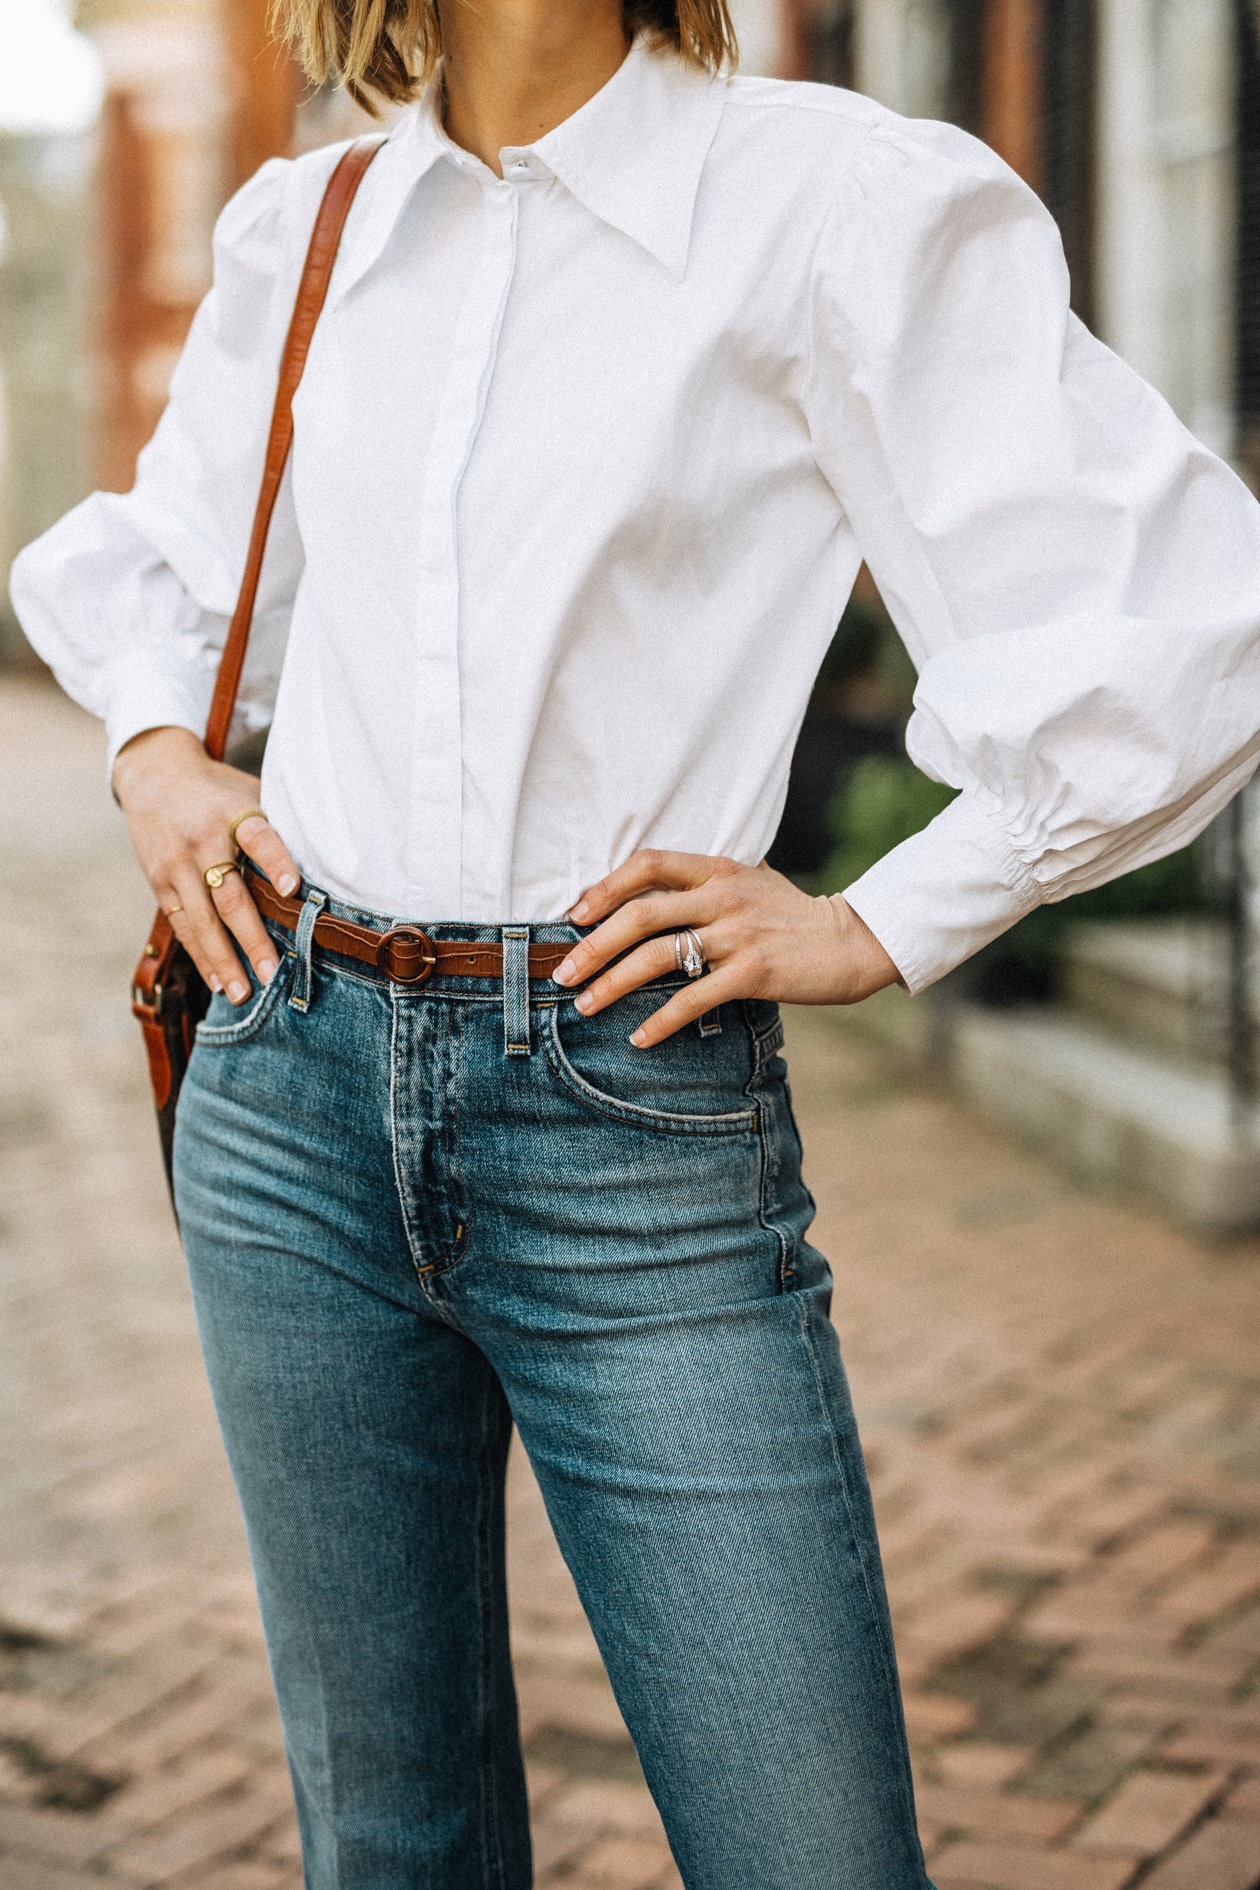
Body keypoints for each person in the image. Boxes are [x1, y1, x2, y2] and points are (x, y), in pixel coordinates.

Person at [12, 0, 1260, 1882]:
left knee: (806, 1851)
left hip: (627, 1109)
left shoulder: (831, 204)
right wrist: (156, 755)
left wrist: (881, 918)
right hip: (287, 1089)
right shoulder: (319, 225)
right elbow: (179, 586)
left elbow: (1179, 617)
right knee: (393, 1842)